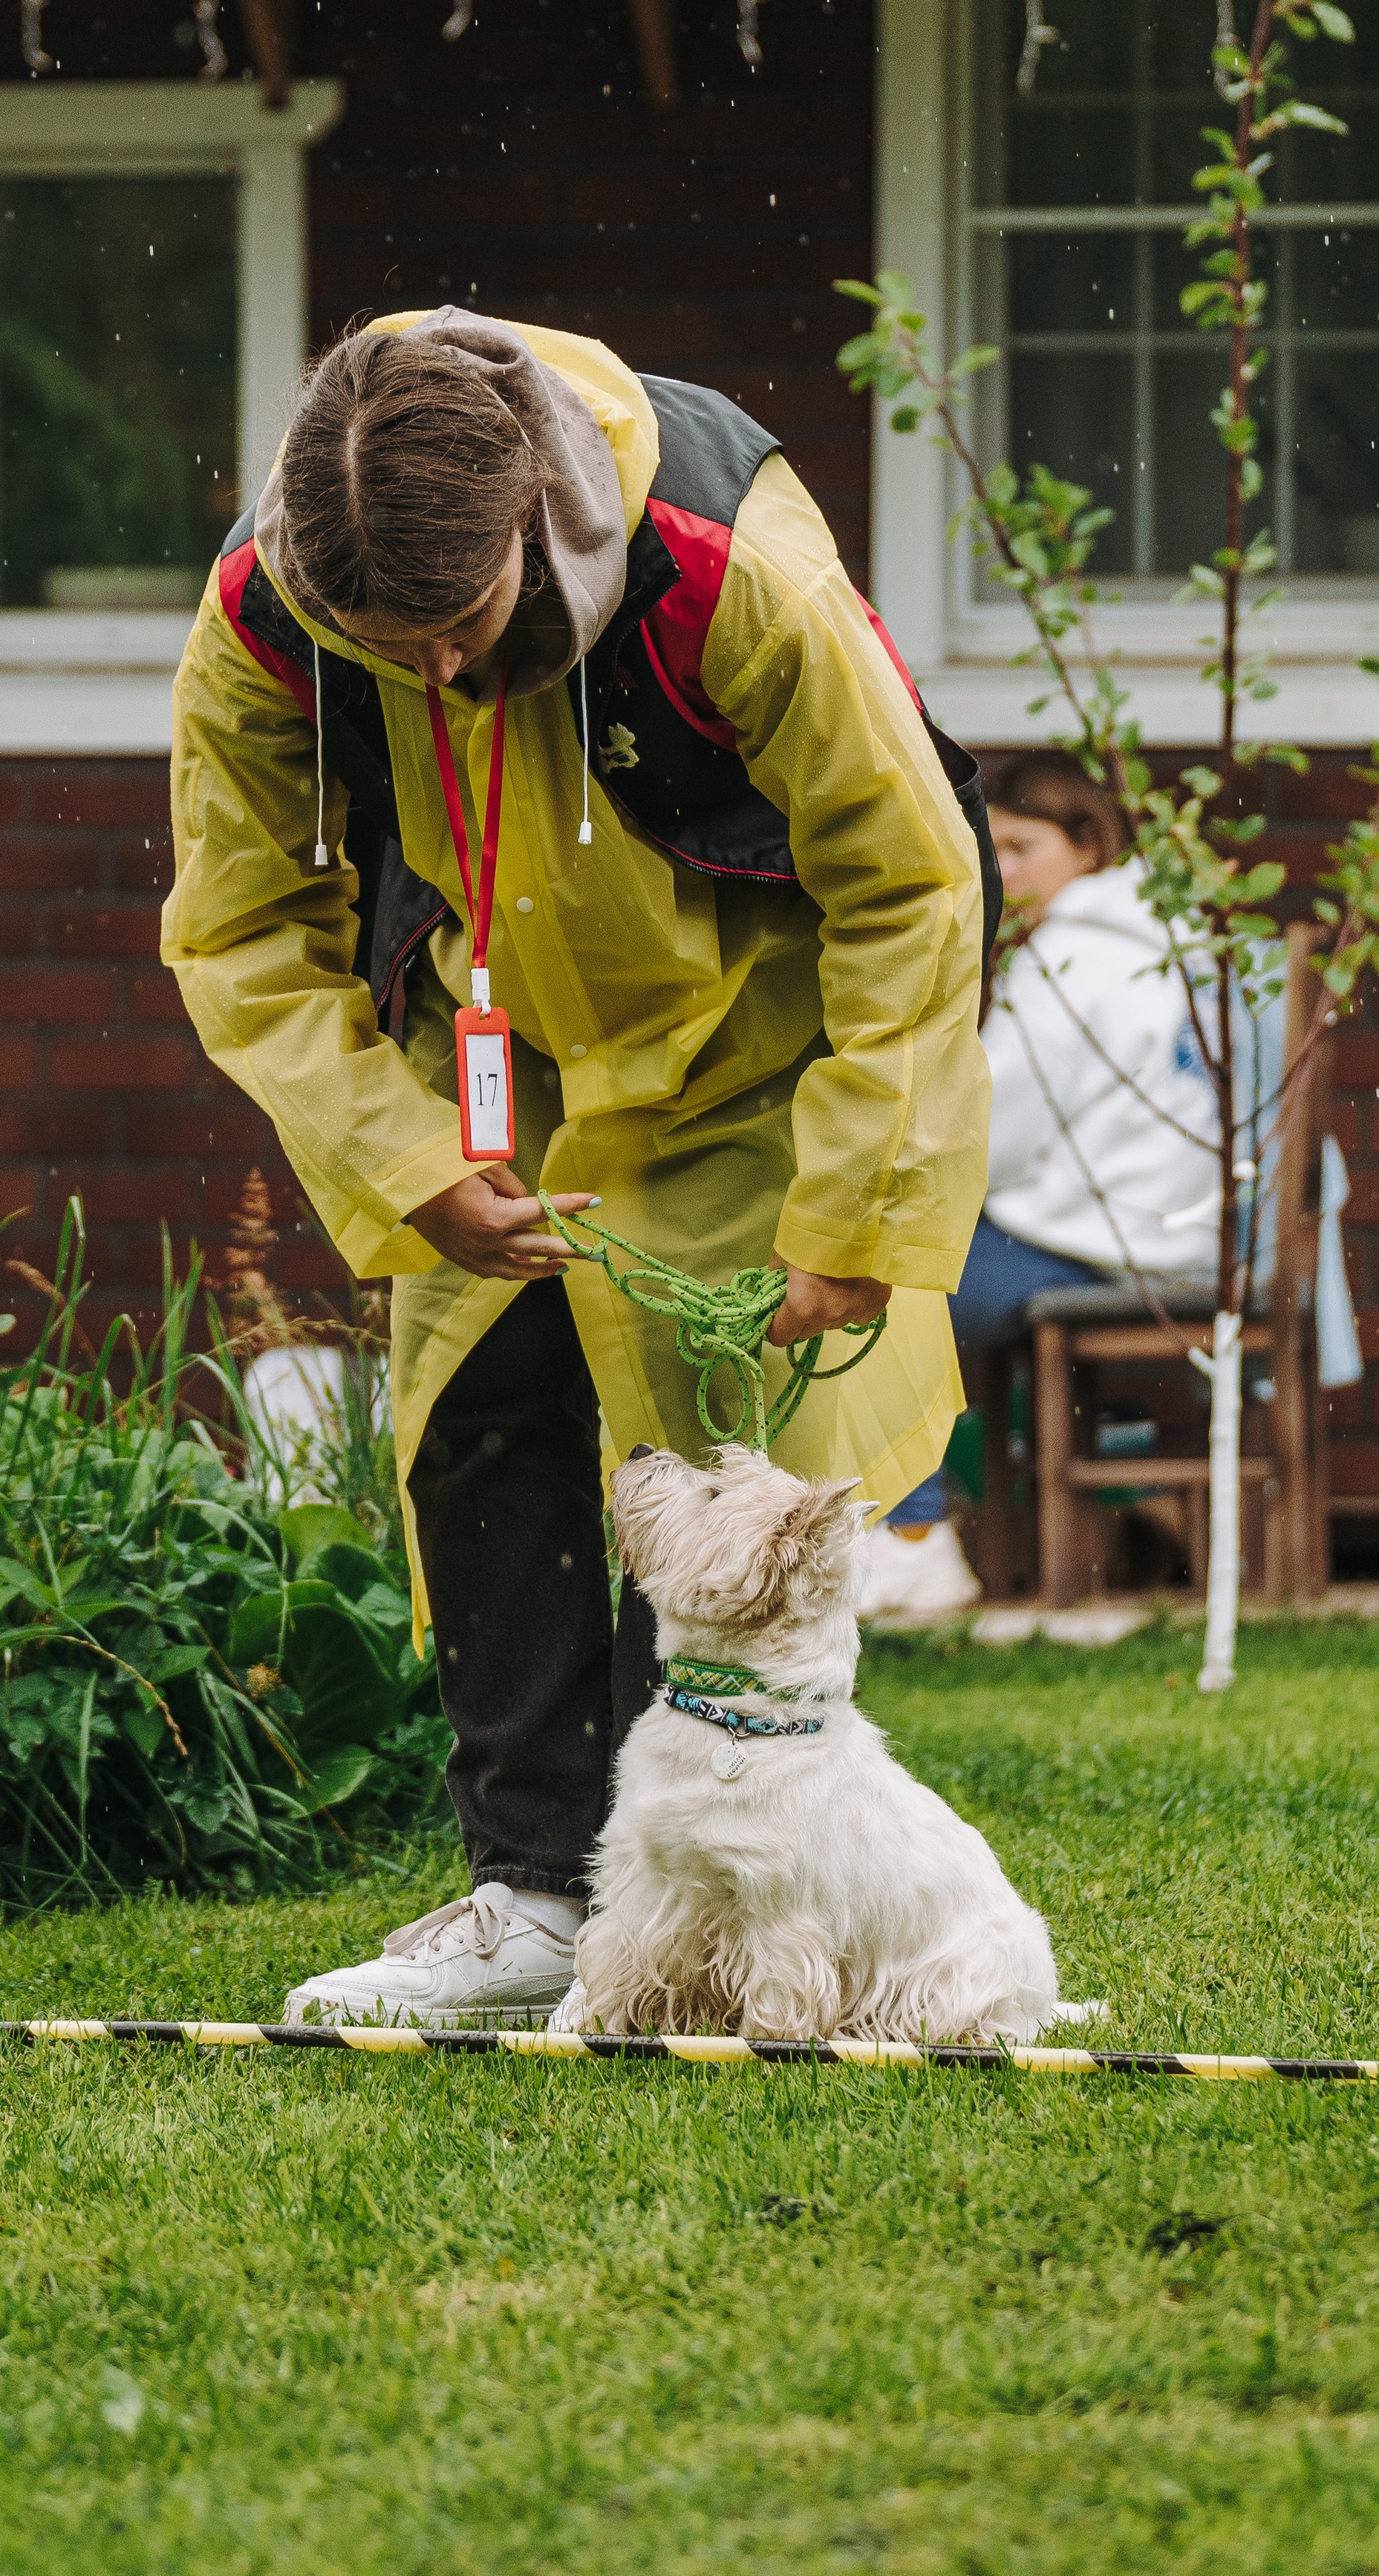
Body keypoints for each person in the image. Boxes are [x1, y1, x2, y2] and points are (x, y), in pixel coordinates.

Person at [162, 310, 991, 2025]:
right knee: (486, 1426)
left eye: (456, 635)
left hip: (752, 1051)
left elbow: (908, 882)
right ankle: (531, 1895)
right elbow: (239, 921)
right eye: (386, 657)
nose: (440, 683)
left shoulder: (723, 563)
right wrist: (402, 1159)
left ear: (532, 520)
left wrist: (857, 1204)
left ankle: (729, 1902)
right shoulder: (264, 610)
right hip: (487, 1060)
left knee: (702, 1461)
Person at [861, 750, 1222, 1614]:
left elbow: (988, 1131)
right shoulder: (1174, 941)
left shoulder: (1071, 957)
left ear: (1088, 842)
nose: (1005, 870)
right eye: (997, 849)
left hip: (1100, 1250)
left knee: (879, 1282)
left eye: (1022, 847)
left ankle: (914, 1539)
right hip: (1187, 1239)